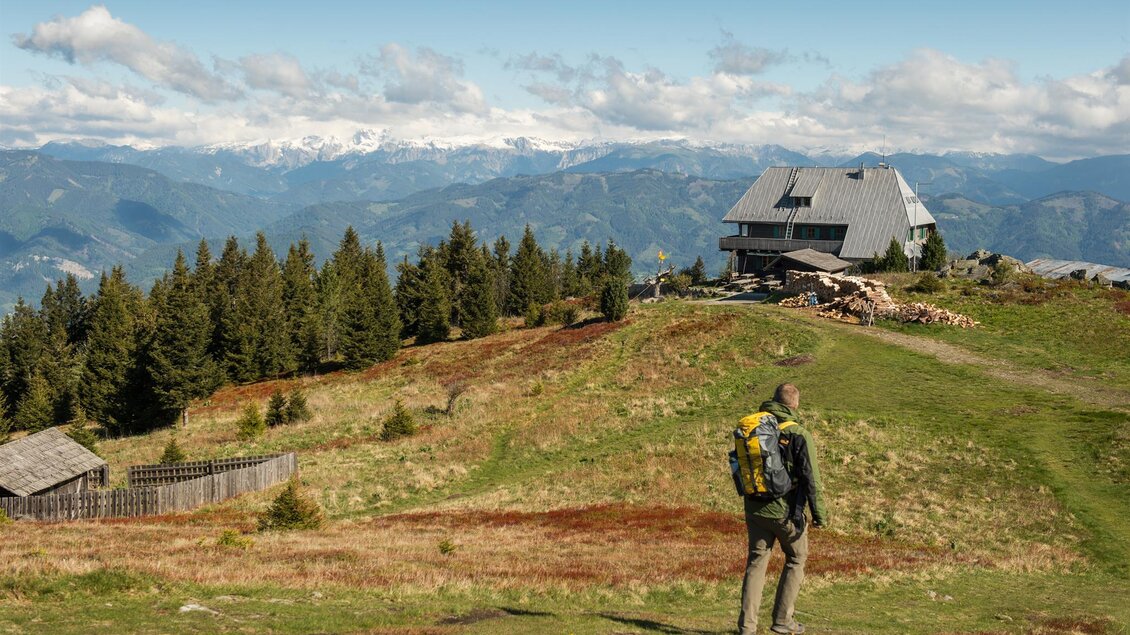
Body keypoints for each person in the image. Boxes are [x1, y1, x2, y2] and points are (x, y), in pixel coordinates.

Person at [738, 383, 827, 635]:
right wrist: (819, 515)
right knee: (797, 558)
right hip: (784, 511)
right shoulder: (799, 433)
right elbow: (812, 479)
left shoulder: (755, 427)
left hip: (754, 509)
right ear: (795, 404)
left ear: (773, 401)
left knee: (756, 562)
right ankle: (782, 621)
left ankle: (747, 628)